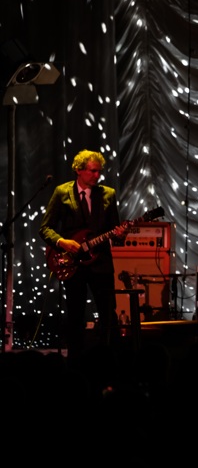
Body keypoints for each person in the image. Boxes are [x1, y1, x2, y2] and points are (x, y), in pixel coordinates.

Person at [40, 149, 127, 364]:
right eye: (92, 171)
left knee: (108, 314)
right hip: (73, 264)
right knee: (76, 315)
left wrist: (120, 235)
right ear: (79, 171)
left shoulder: (107, 194)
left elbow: (114, 233)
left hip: (101, 263)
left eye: (99, 172)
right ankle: (75, 361)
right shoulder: (62, 192)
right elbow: (45, 228)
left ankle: (110, 361)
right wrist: (62, 242)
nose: (97, 176)